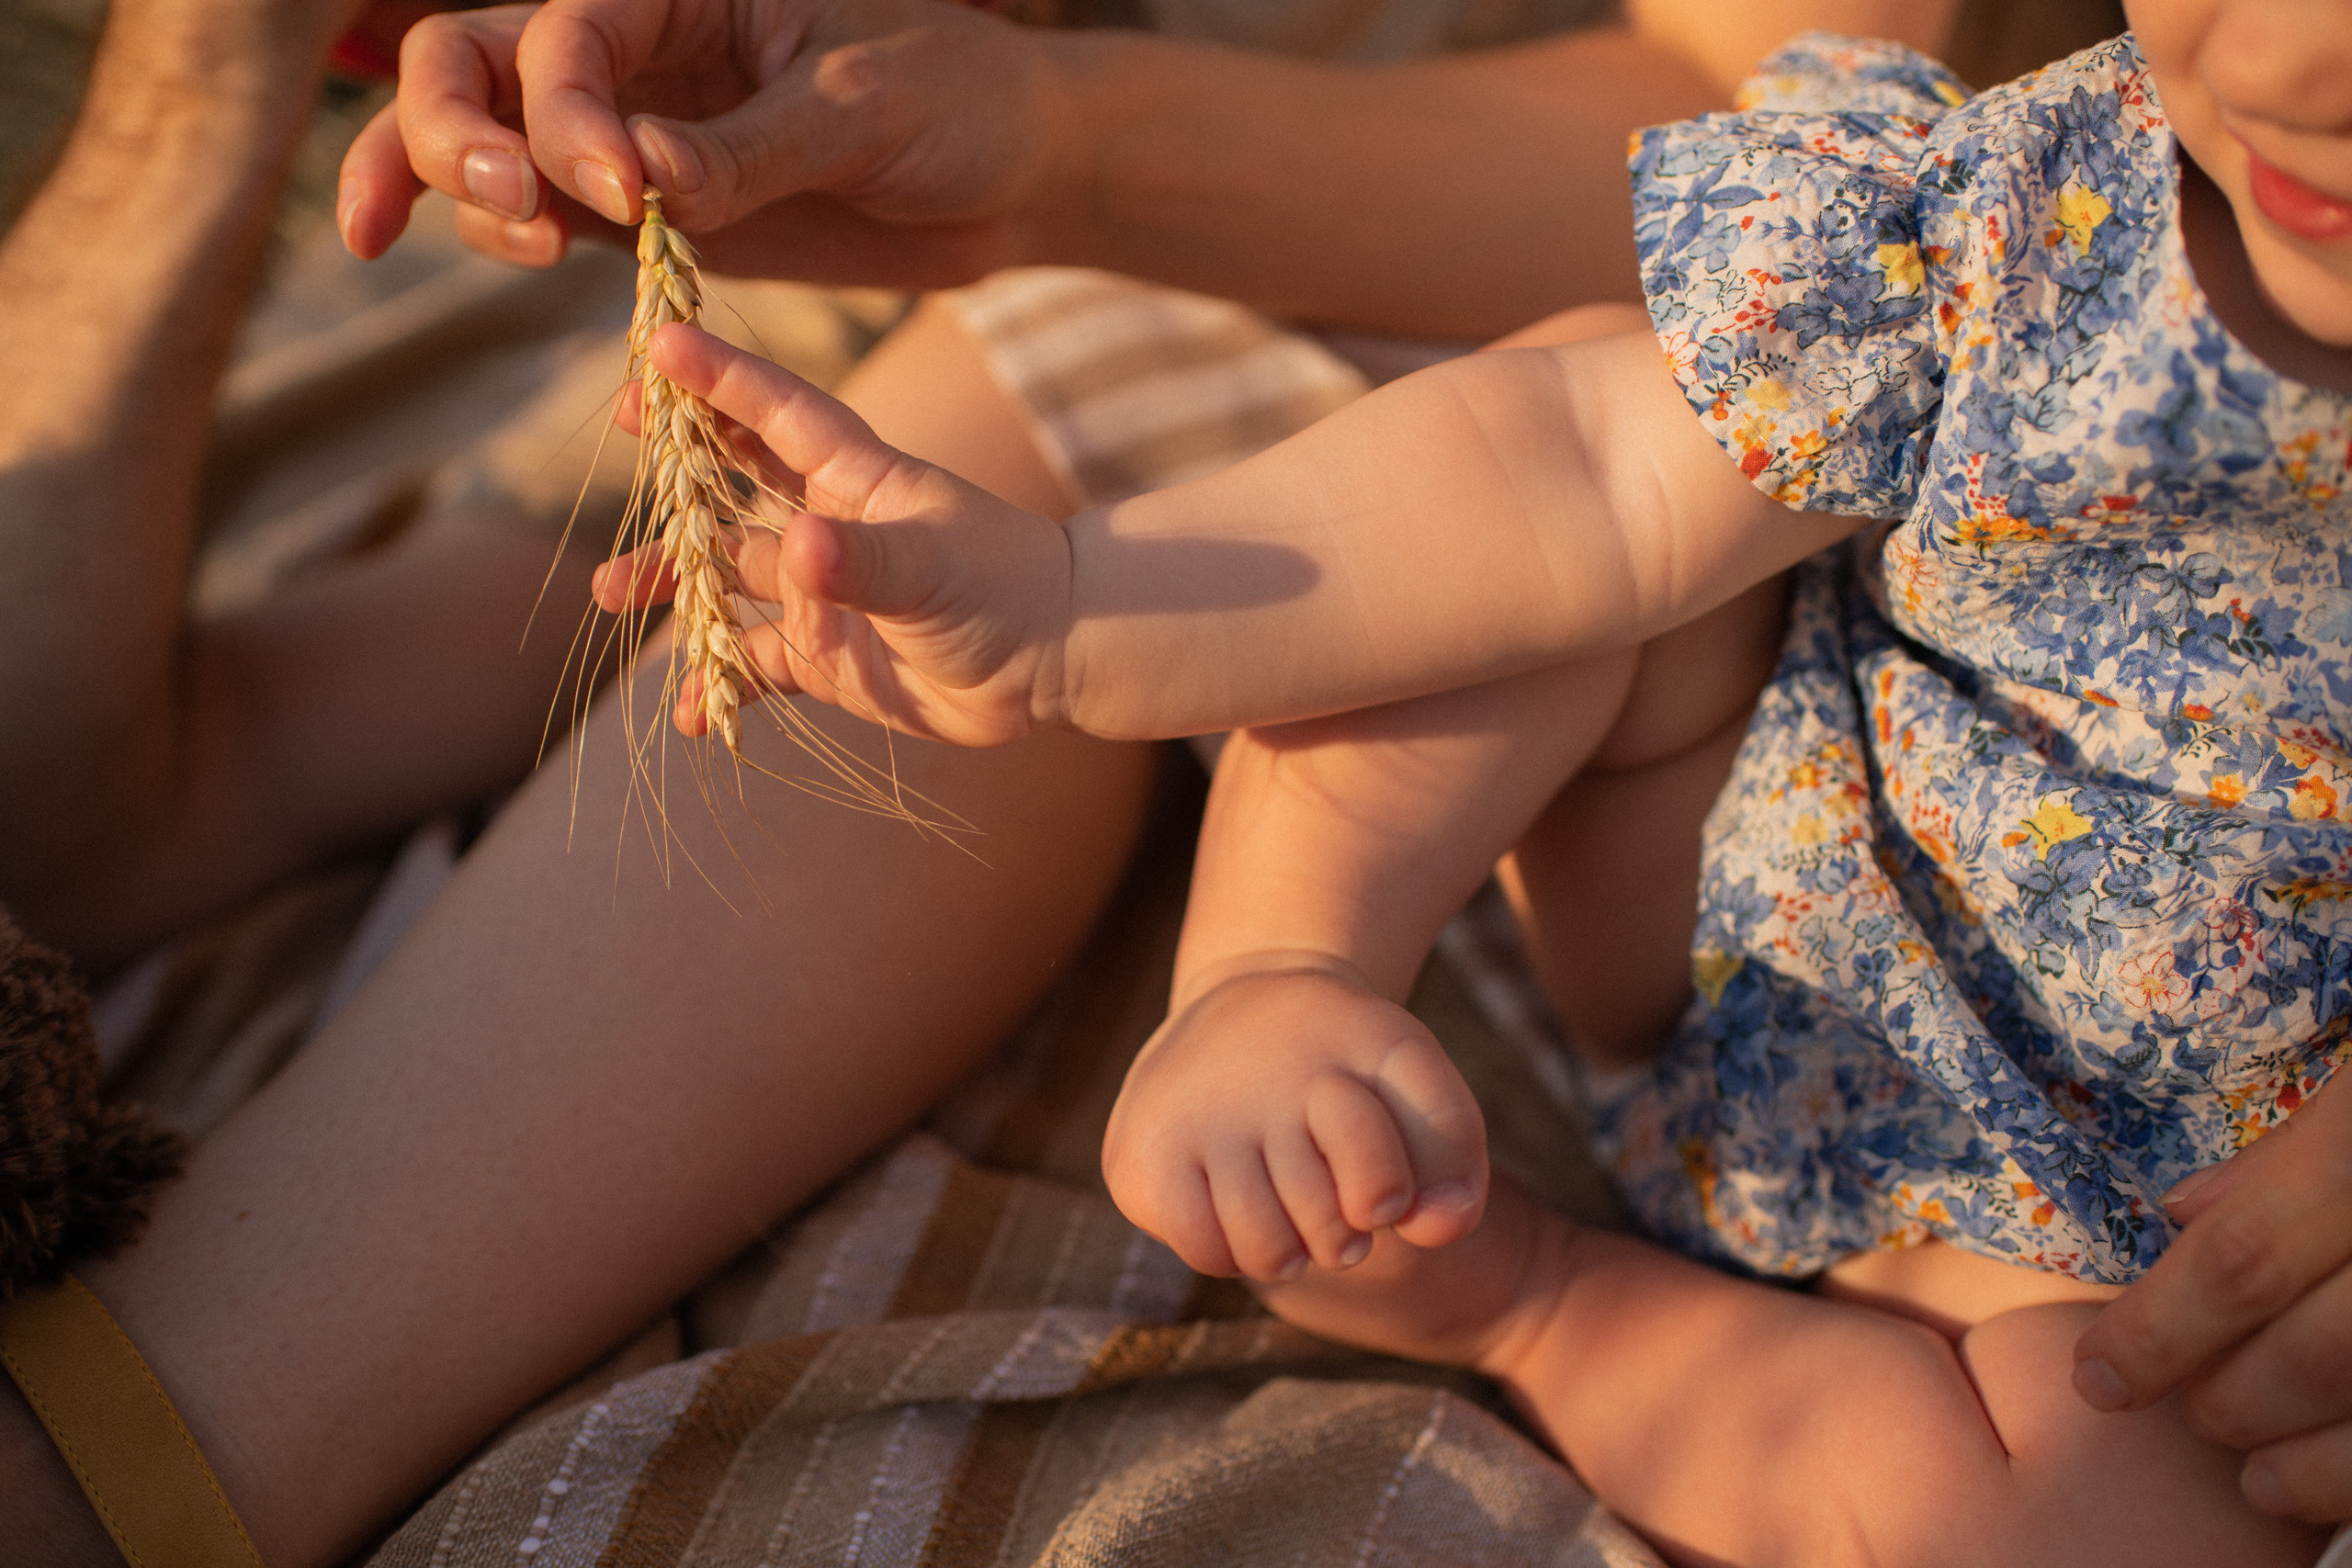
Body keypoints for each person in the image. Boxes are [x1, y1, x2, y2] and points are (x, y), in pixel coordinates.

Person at [0, 0, 2002, 1561]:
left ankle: (134, 1461)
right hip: (976, 259)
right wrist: (211, 69)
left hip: (1562, 411)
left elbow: (1742, 137)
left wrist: (1064, 152)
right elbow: (108, 800)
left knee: (1039, 408)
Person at [570, 0, 2352, 1556]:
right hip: (1767, 880)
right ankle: (1277, 971)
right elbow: (1574, 472)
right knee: (1569, 469)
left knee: (2106, 1517)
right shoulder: (2055, 202)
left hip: (2137, 1258)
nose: (2289, 59)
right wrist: (1071, 602)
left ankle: (1536, 1299)